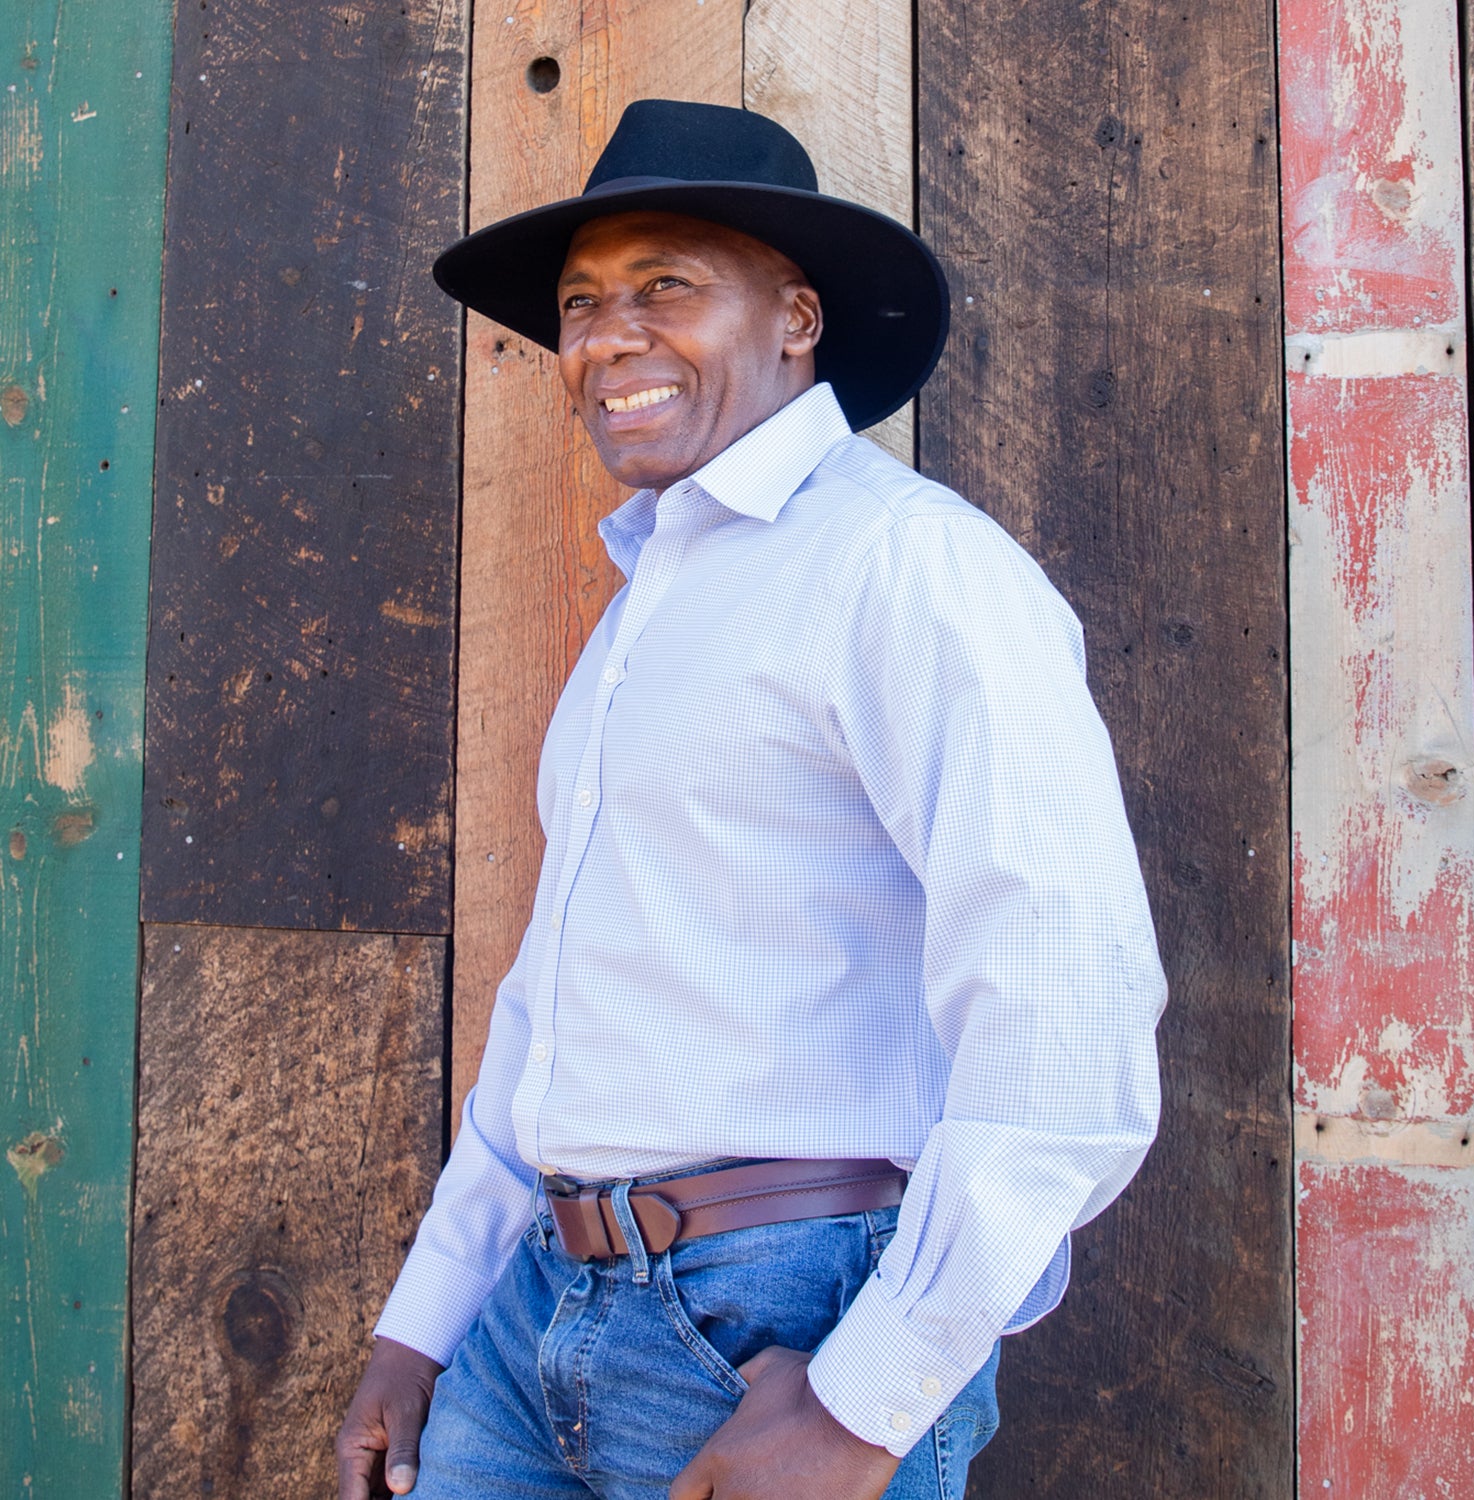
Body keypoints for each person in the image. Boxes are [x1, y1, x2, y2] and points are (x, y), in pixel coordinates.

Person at [337, 98, 1166, 1500]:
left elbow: (1064, 1005)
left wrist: (867, 1400)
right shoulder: (640, 615)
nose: (605, 338)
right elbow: (553, 1010)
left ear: (796, 318)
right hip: (532, 1314)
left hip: (784, 1323)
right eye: (582, 303)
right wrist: (422, 1327)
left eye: (664, 286)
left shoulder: (907, 568)